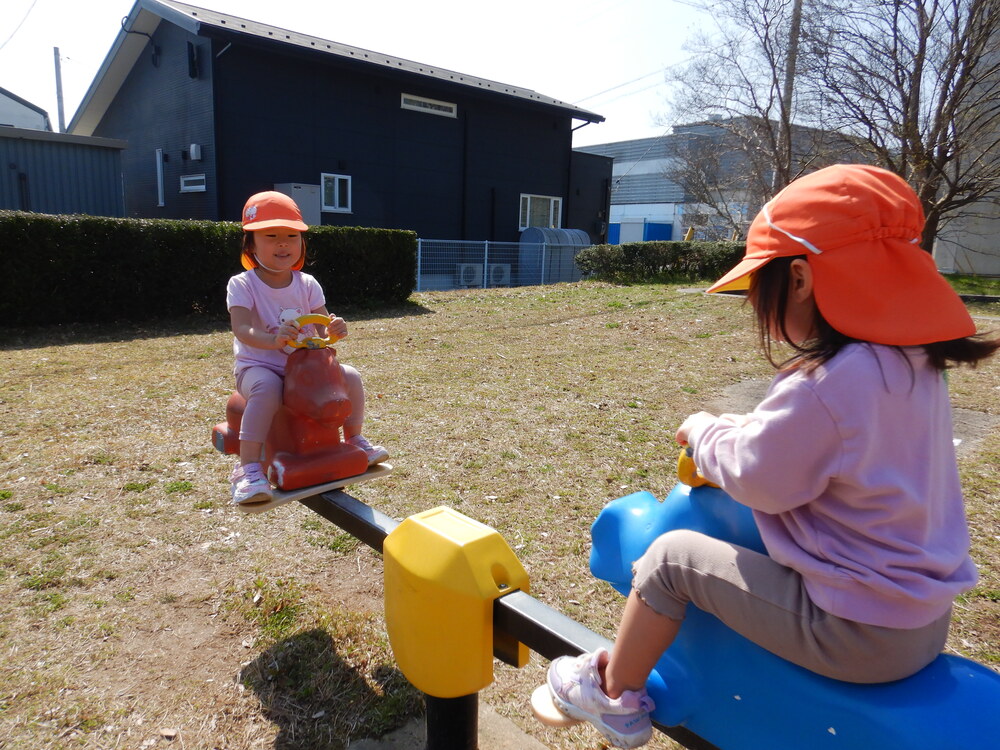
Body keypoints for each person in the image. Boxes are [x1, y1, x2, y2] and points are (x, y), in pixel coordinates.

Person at [545, 164, 1000, 749]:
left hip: (855, 630)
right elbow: (832, 444)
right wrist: (744, 427)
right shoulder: (912, 365)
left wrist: (706, 432)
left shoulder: (828, 384)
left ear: (803, 278)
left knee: (671, 557)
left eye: (761, 284)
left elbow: (762, 477)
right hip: (923, 620)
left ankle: (613, 695)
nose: (757, 302)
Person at [226, 190, 387, 504]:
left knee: (350, 376)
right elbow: (242, 329)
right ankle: (248, 468)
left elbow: (323, 323)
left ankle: (355, 439)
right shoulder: (243, 284)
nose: (283, 243)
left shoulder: (308, 284)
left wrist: (335, 329)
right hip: (261, 366)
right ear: (251, 243)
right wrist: (273, 340)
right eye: (271, 235)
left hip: (305, 366)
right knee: (267, 389)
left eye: (291, 235)